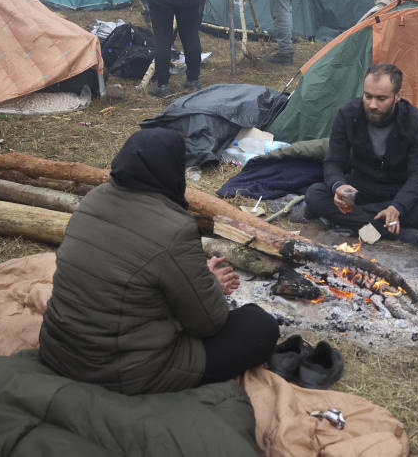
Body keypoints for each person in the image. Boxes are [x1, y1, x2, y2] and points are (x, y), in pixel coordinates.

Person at [39, 128, 280, 395]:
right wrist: (211, 284)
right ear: (172, 170)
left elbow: (131, 275)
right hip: (116, 371)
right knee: (259, 326)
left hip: (58, 350)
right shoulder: (175, 228)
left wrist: (197, 280)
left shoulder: (93, 199)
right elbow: (208, 323)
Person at [304, 63, 418, 245]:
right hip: (359, 189)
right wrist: (338, 186)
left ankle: (351, 224)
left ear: (397, 96)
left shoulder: (416, 122)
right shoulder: (348, 114)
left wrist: (397, 206)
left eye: (381, 98)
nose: (372, 105)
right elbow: (333, 161)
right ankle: (387, 231)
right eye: (368, 96)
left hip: (393, 192)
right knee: (314, 194)